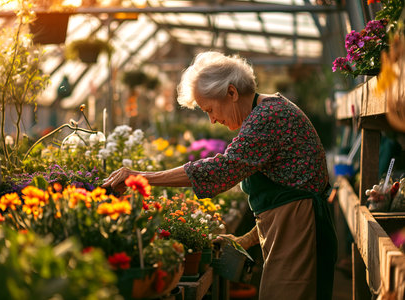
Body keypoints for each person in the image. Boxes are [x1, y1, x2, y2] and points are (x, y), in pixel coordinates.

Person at [102, 51, 337, 300]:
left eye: (210, 109)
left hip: (300, 229)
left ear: (232, 93)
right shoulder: (266, 111)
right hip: (295, 226)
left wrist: (140, 177)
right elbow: (285, 194)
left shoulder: (268, 117)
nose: (212, 120)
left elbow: (220, 171)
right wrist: (246, 240)